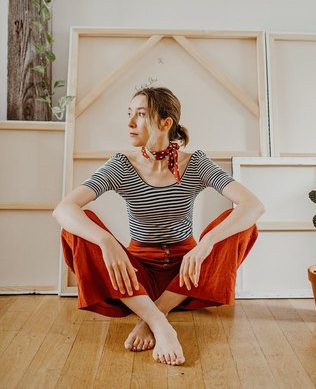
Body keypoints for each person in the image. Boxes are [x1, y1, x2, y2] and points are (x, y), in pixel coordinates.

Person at [53, 86, 264, 366]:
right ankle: (159, 322)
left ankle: (154, 314)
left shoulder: (196, 163)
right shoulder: (120, 166)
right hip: (135, 276)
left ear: (165, 123)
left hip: (188, 274)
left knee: (241, 226)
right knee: (78, 227)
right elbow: (64, 208)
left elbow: (253, 205)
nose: (130, 123)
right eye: (129, 114)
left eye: (140, 115)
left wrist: (206, 245)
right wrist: (106, 242)